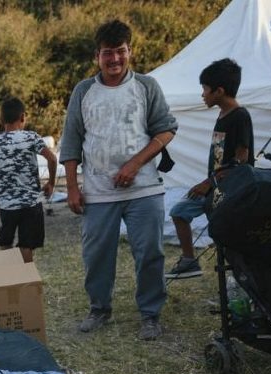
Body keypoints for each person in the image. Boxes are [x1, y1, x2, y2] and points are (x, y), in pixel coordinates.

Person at [60, 19, 177, 340]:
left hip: (145, 188)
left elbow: (166, 129)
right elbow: (70, 141)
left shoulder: (146, 86)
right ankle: (99, 308)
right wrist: (72, 186)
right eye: (107, 53)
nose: (115, 60)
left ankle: (151, 314)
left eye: (120, 52)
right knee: (96, 254)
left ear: (130, 52)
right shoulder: (84, 91)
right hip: (98, 190)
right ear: (97, 56)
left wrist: (135, 163)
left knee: (150, 252)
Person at [166, 58, 254, 279]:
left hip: (230, 189)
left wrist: (210, 183)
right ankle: (189, 261)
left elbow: (241, 161)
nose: (203, 94)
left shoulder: (240, 116)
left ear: (219, 91)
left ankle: (243, 279)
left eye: (205, 89)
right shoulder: (222, 115)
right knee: (179, 212)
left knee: (229, 236)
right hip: (215, 186)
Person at [0, 97, 57, 263]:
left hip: (7, 205)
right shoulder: (32, 138)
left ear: (1, 119)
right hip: (30, 203)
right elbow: (53, 160)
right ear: (23, 117)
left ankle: (11, 280)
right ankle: (27, 281)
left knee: (6, 243)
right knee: (26, 244)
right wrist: (51, 182)